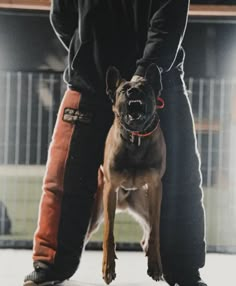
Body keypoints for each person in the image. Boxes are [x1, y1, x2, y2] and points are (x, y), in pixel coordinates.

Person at [24, 1, 207, 286]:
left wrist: (147, 68)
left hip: (158, 79)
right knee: (65, 177)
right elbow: (61, 15)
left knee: (180, 178)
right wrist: (86, 51)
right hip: (92, 80)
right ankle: (51, 263)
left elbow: (169, 17)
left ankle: (183, 267)